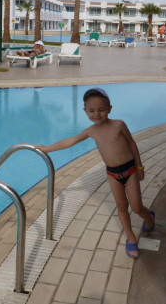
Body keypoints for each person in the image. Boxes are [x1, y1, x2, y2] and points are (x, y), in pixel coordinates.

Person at [35, 87, 155, 259]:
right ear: (85, 111)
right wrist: (47, 149)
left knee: (136, 207)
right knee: (121, 206)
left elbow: (132, 144)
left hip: (130, 170)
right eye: (91, 111)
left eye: (101, 110)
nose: (97, 114)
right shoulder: (90, 131)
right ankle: (131, 238)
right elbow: (69, 142)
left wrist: (140, 167)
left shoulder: (119, 125)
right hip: (113, 174)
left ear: (109, 109)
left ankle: (149, 219)